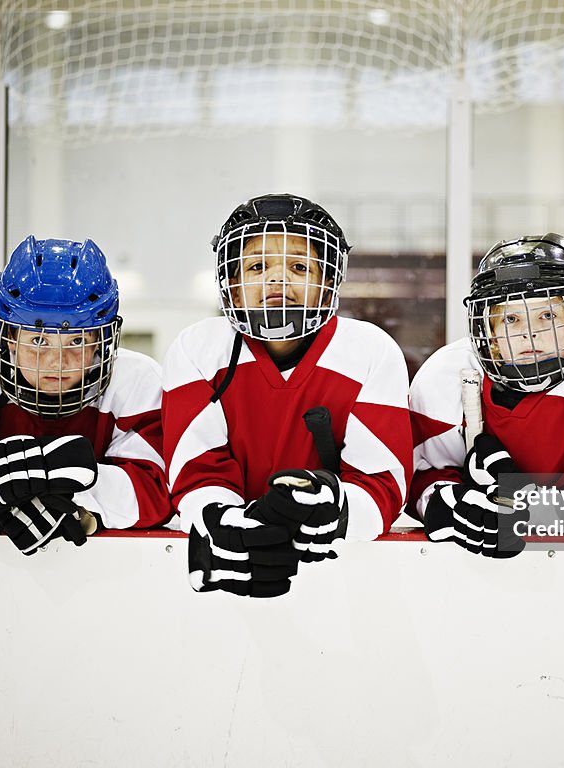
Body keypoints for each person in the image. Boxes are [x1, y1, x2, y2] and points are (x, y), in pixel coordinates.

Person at [162, 193, 412, 597]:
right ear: (235, 286)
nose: (277, 280)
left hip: (344, 574)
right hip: (230, 564)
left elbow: (381, 483)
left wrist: (336, 510)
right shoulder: (197, 348)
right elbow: (197, 473)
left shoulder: (370, 350)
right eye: (258, 266)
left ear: (328, 282)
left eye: (299, 266)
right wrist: (224, 522)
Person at [0, 236, 172, 553]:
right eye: (38, 341)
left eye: (76, 342)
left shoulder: (138, 382)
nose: (56, 361)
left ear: (99, 341)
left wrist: (73, 503)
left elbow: (158, 488)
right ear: (9, 336)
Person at [408, 233, 564, 557]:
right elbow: (424, 476)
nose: (530, 333)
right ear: (489, 333)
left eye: (547, 316)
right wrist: (451, 505)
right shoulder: (444, 376)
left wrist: (529, 507)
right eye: (511, 318)